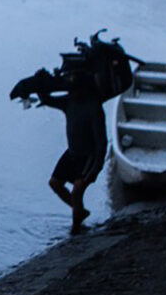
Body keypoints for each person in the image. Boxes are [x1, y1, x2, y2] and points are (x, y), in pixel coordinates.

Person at [11, 68, 108, 231]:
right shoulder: (69, 102)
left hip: (88, 156)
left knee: (77, 190)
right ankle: (80, 211)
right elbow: (47, 100)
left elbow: (101, 143)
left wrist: (96, 168)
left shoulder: (94, 108)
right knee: (55, 183)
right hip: (72, 153)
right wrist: (39, 83)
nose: (72, 92)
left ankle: (76, 228)